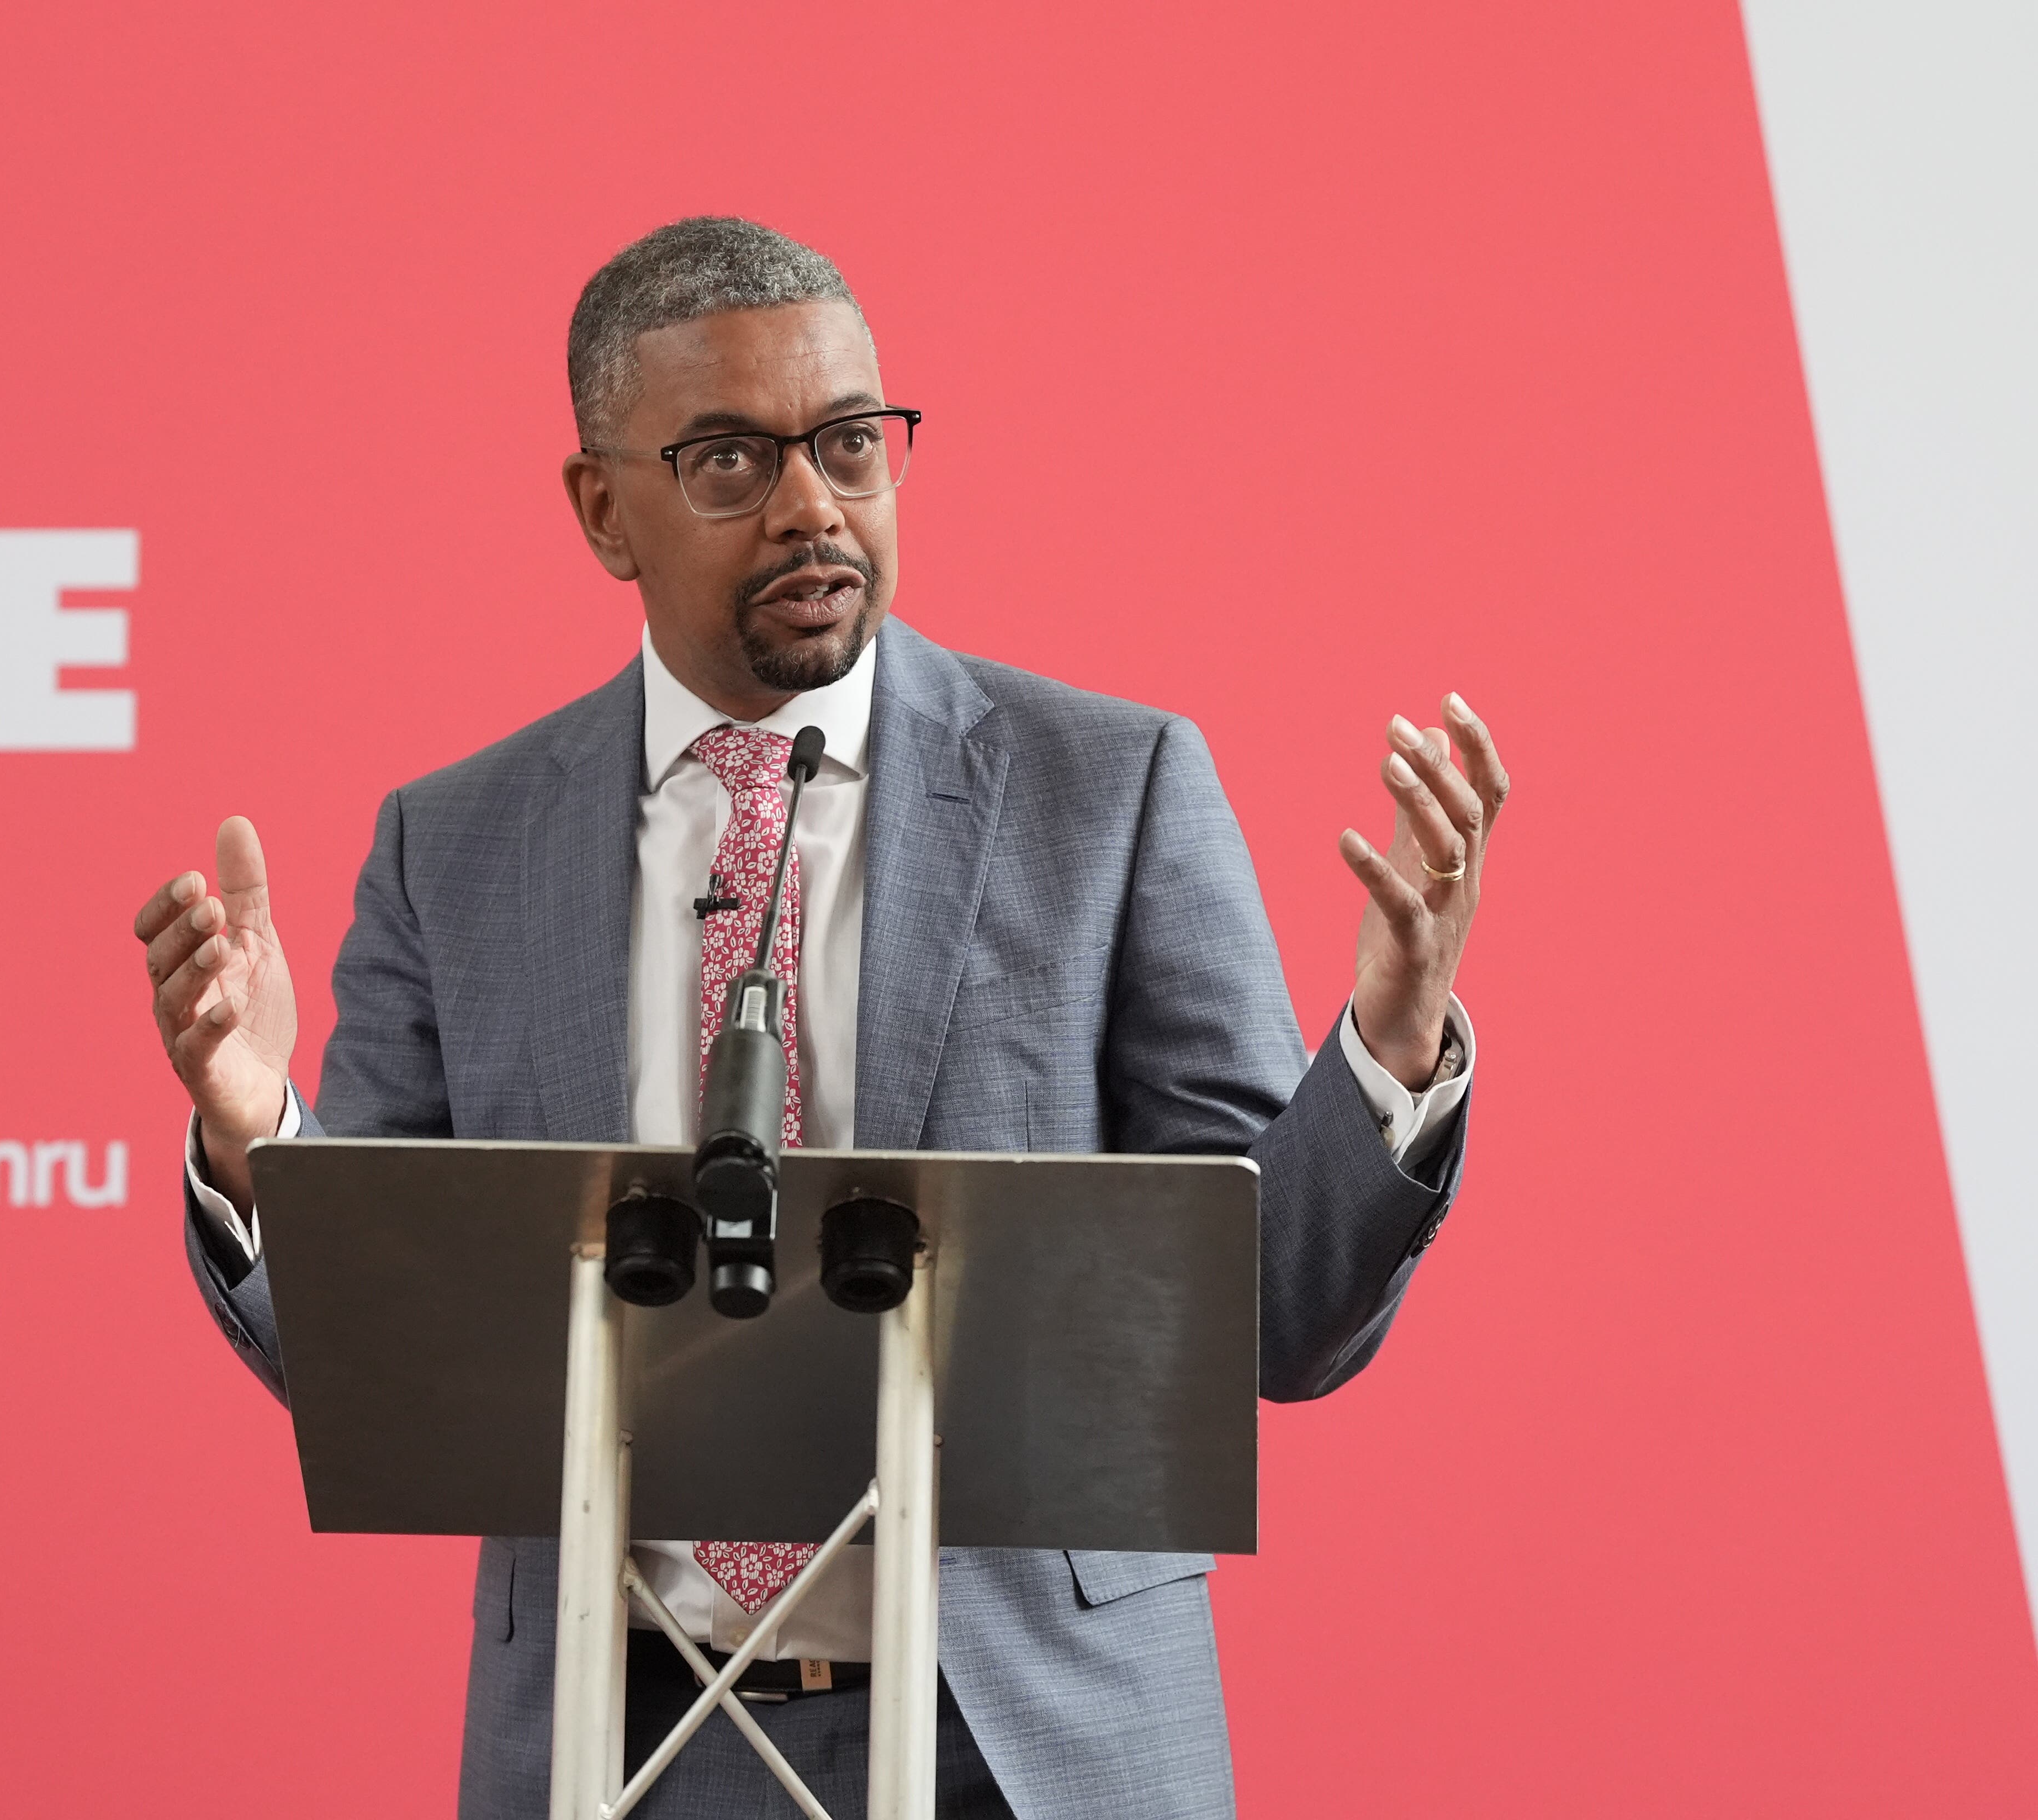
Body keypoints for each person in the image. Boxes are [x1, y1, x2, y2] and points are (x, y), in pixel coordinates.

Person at [133, 217, 1508, 1819]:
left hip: (1026, 1741)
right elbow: (377, 1358)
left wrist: (1390, 1054)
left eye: (853, 443)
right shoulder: (457, 846)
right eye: (729, 458)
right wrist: (255, 1136)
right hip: (614, 1733)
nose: (812, 506)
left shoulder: (1109, 790)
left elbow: (1268, 1322)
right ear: (601, 510)